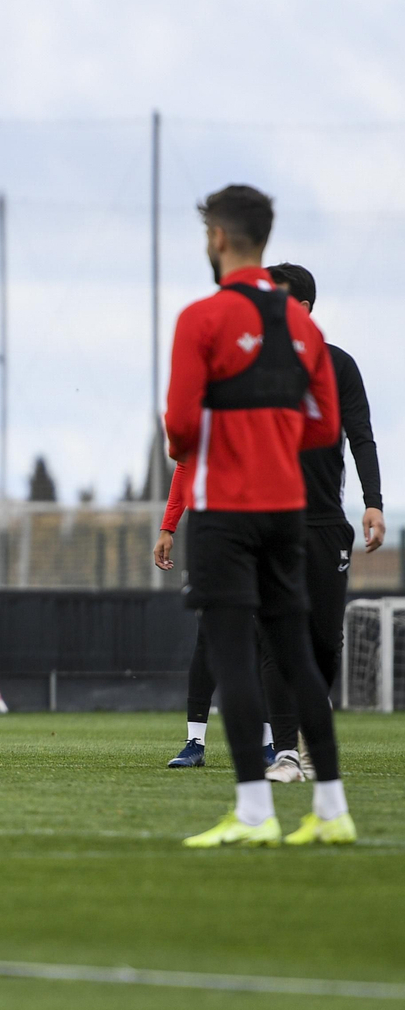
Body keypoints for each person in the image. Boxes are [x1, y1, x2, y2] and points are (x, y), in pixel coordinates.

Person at [164, 184, 352, 848]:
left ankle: (252, 813)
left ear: (218, 237)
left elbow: (182, 427)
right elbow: (324, 425)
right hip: (290, 510)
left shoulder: (202, 319)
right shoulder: (306, 328)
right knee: (298, 653)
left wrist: (203, 445)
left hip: (226, 510)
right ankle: (332, 810)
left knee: (235, 653)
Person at [155, 263, 384, 780]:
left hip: (324, 522)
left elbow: (357, 434)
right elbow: (194, 441)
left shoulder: (336, 365)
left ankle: (302, 739)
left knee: (318, 640)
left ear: (300, 307)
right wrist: (181, 517)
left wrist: (374, 500)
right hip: (262, 517)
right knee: (255, 635)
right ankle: (280, 752)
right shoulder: (242, 361)